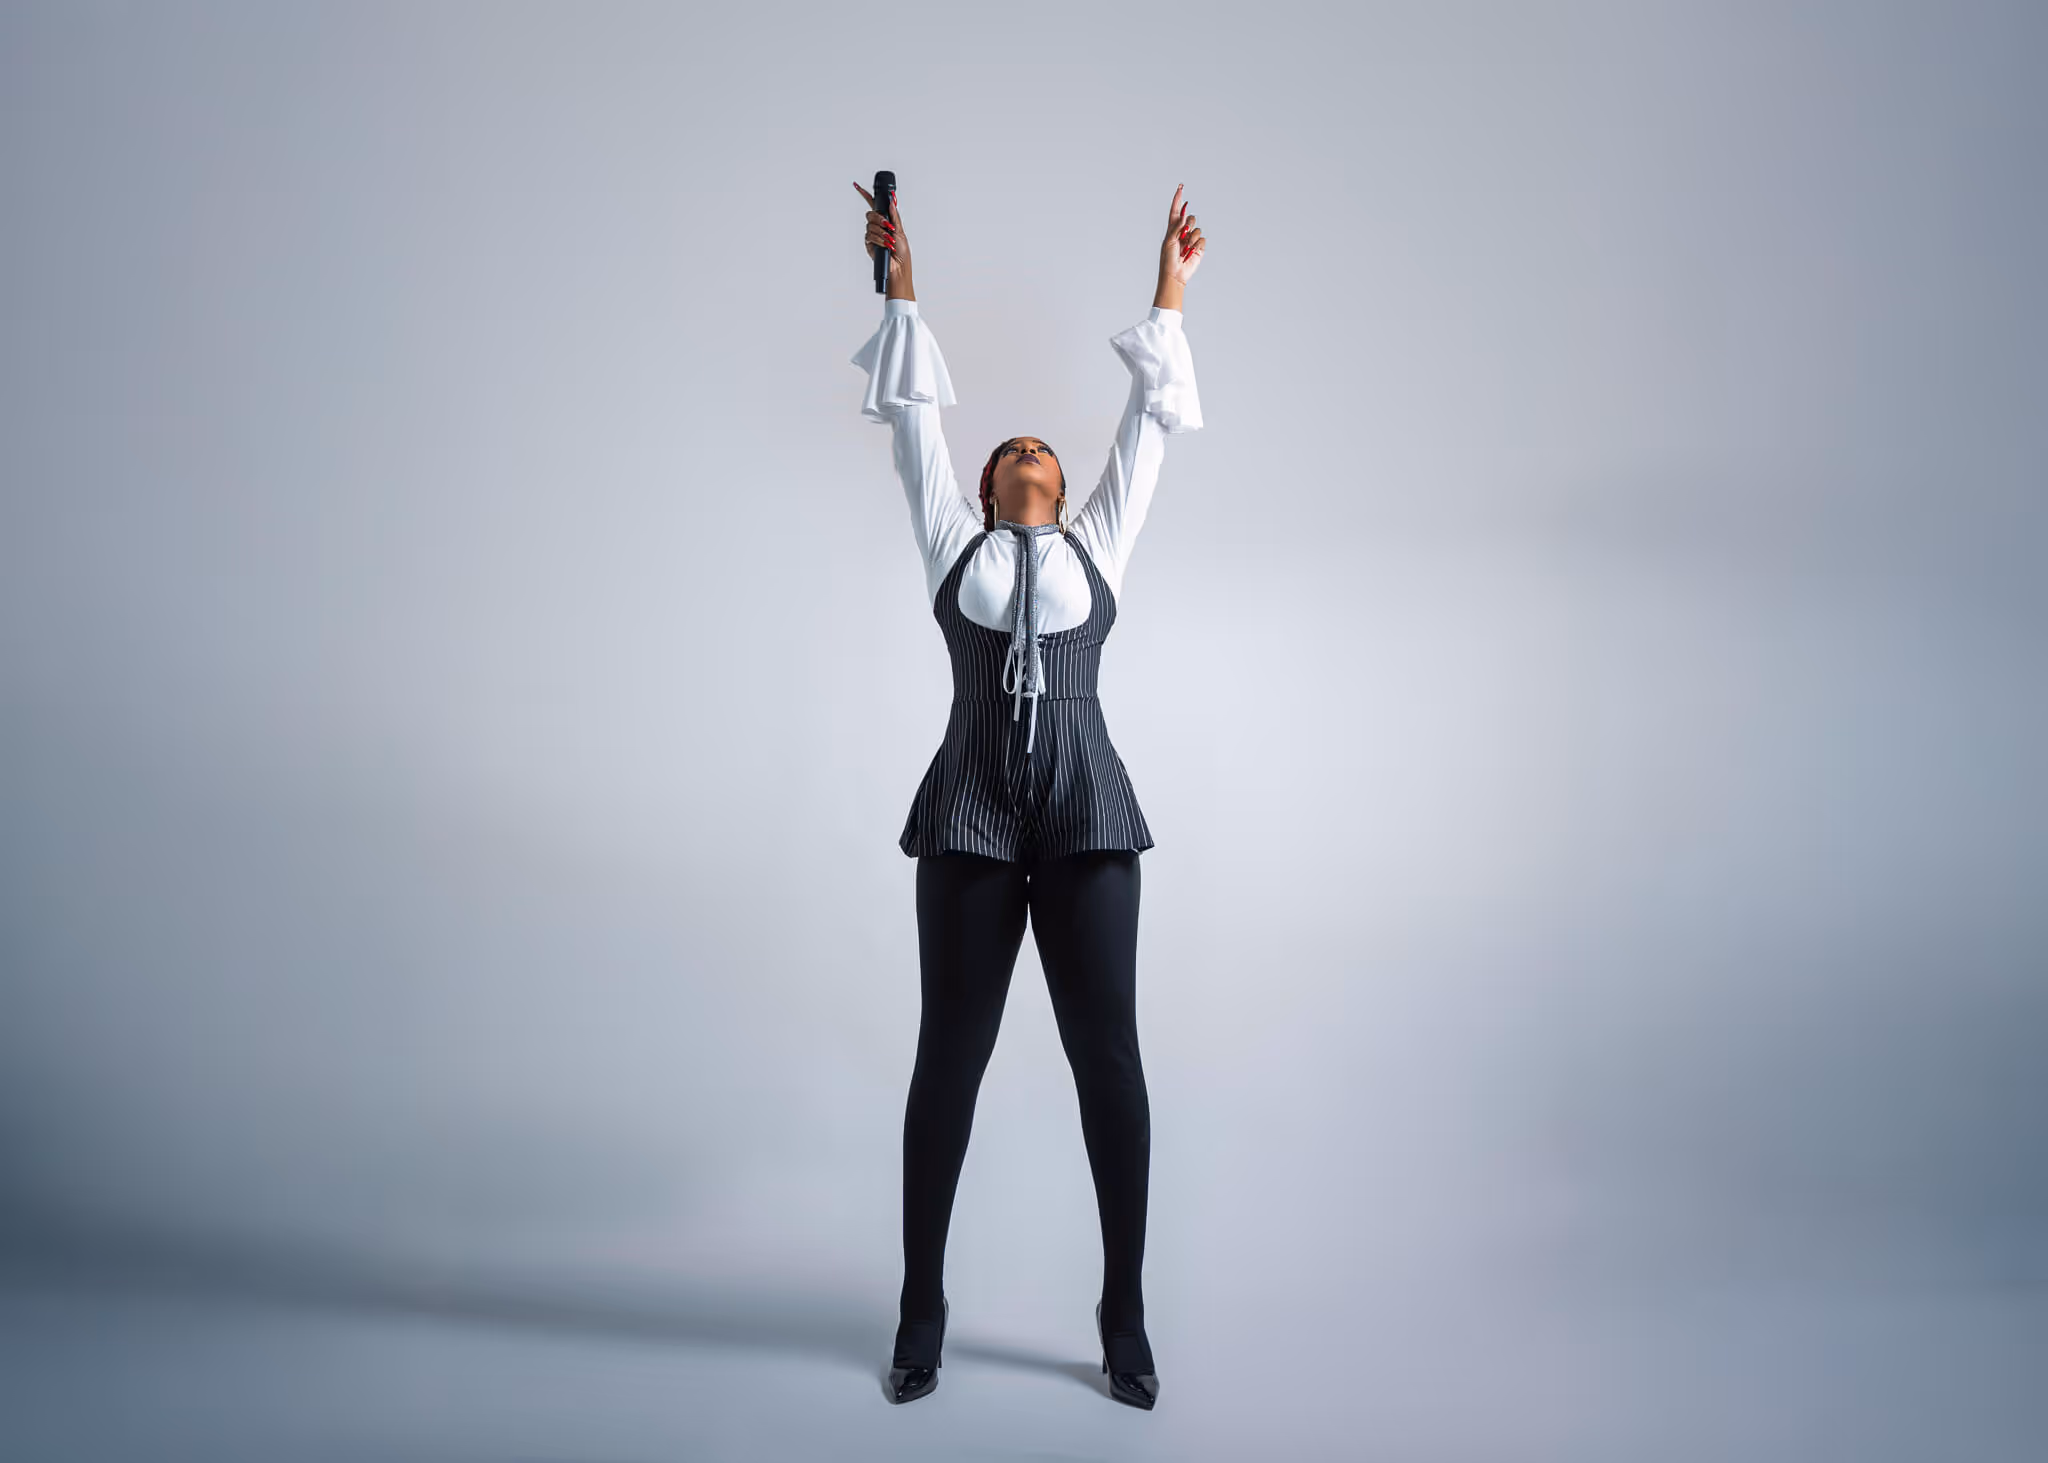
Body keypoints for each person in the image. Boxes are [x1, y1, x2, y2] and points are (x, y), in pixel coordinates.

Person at [850, 180, 1205, 1410]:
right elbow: (913, 422)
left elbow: (1146, 428)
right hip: (970, 810)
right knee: (947, 1055)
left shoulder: (1098, 544)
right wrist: (898, 278)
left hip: (1085, 809)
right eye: (1008, 449)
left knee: (1108, 1054)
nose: (1025, 452)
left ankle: (1123, 1309)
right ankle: (921, 1303)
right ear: (986, 481)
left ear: (1060, 482)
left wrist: (1169, 287)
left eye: (1041, 449)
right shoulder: (950, 539)